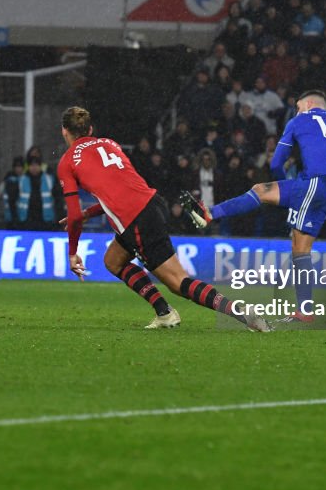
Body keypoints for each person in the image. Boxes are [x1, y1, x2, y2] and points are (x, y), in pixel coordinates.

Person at [57, 106, 269, 332]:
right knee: (113, 260)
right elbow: (122, 188)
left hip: (136, 219)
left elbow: (74, 216)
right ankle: (164, 312)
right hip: (152, 203)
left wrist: (72, 252)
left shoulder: (67, 162)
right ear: (90, 129)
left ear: (64, 131)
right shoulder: (110, 144)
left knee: (179, 283)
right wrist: (90, 213)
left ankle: (242, 313)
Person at [187, 90, 326, 322]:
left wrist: (284, 192)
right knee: (300, 247)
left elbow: (276, 163)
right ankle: (305, 309)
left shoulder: (299, 121)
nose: (297, 110)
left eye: (298, 105)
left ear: (310, 103)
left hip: (312, 184)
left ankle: (210, 213)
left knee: (260, 191)